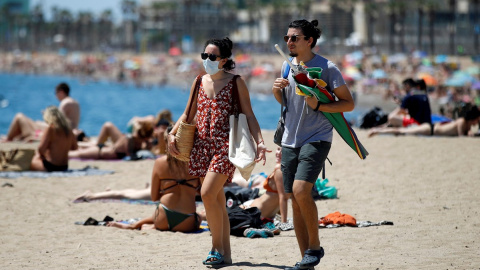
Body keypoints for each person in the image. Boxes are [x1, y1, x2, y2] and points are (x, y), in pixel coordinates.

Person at [167, 37, 269, 266]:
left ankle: (216, 247)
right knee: (217, 199)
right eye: (204, 56)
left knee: (206, 193)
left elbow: (250, 115)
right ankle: (226, 254)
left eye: (212, 57)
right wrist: (172, 133)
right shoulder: (198, 81)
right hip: (201, 146)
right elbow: (187, 115)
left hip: (226, 145)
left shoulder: (236, 82)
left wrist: (260, 142)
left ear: (224, 60)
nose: (207, 60)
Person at [271, 19, 354, 270]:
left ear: (309, 40)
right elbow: (286, 103)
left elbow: (348, 104)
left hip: (317, 137)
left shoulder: (327, 67)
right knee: (294, 199)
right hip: (289, 139)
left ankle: (315, 247)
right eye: (287, 38)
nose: (289, 42)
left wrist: (320, 106)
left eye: (294, 38)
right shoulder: (288, 66)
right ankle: (306, 258)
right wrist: (277, 90)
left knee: (300, 191)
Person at [106, 130, 202, 231]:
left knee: (163, 209)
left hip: (163, 217)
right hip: (187, 222)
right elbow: (202, 193)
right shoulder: (196, 162)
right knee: (199, 217)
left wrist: (169, 189)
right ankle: (148, 227)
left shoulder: (159, 162)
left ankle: (136, 225)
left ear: (167, 142)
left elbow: (154, 197)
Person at [3, 82, 82, 142]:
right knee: (35, 123)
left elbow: (58, 123)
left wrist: (47, 116)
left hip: (62, 133)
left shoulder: (65, 103)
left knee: (19, 117)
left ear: (61, 92)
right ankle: (12, 137)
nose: (56, 96)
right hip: (68, 133)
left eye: (56, 93)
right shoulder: (75, 102)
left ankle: (8, 138)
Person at [369, 105, 480, 137]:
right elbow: (461, 136)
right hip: (429, 129)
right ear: (473, 118)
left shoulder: (467, 125)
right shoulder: (461, 122)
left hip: (431, 129)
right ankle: (378, 130)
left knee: (402, 131)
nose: (477, 122)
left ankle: (379, 129)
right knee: (401, 131)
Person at [68, 121, 153, 160]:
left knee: (75, 152)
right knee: (74, 154)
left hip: (103, 151)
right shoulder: (131, 140)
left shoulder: (134, 140)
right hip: (100, 152)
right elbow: (129, 155)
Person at [30, 106, 78, 171]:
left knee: (34, 159)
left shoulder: (51, 128)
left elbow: (41, 149)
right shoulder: (68, 129)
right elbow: (75, 147)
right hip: (64, 166)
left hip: (51, 166)